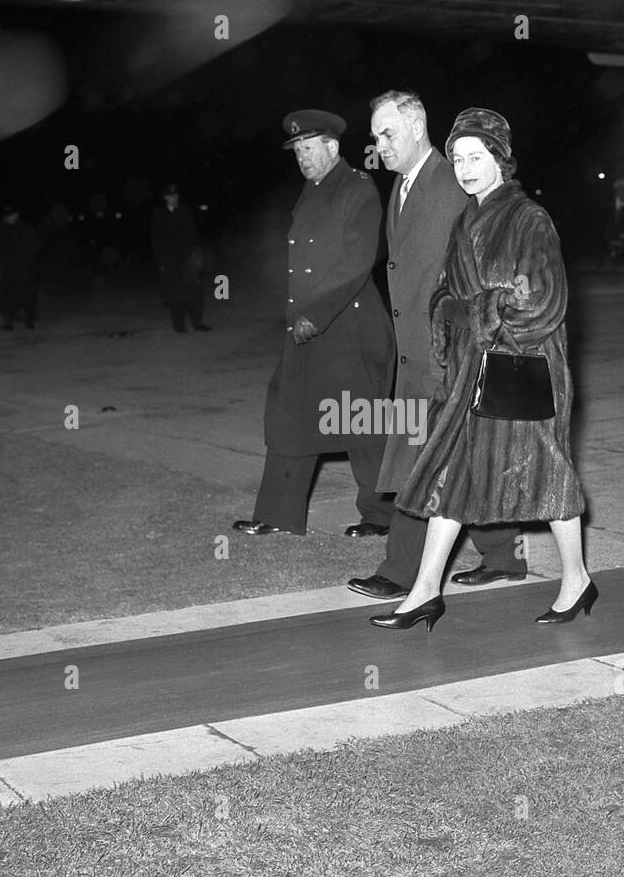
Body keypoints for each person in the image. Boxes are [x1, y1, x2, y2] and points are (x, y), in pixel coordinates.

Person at [371, 107, 592, 631]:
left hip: (524, 371)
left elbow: (543, 301)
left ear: (500, 159)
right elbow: (447, 292)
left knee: (548, 476)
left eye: (478, 156)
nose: (467, 168)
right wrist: (453, 313)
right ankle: (425, 591)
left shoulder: (529, 218)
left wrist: (476, 312)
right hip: (473, 369)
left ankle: (577, 578)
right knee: (449, 472)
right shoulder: (465, 220)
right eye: (459, 159)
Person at [349, 90, 526, 601]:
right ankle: (504, 554)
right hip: (414, 351)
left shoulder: (454, 180)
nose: (379, 144)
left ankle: (401, 571)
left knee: (422, 463)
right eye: (376, 136)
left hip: (449, 348)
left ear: (418, 124)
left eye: (388, 133)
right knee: (450, 456)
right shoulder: (402, 187)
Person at [234, 109, 396, 538]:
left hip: (349, 326)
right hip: (307, 327)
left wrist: (316, 314)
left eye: (309, 149)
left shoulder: (357, 187)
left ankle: (381, 516)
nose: (303, 158)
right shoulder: (312, 189)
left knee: (363, 426)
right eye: (297, 151)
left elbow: (357, 261)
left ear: (332, 147)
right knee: (290, 416)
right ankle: (277, 514)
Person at [151, 182, 209, 332]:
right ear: (165, 198)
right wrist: (161, 261)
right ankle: (179, 325)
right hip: (170, 260)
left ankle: (197, 322)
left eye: (176, 195)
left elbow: (193, 233)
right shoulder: (159, 213)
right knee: (176, 294)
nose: (174, 198)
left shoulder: (184, 211)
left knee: (194, 292)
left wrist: (197, 253)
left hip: (188, 257)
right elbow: (156, 239)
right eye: (171, 195)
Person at [0, 205, 41, 330]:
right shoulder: (2, 229)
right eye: (7, 215)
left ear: (16, 215)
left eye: (11, 215)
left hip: (25, 268)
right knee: (7, 296)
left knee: (27, 295)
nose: (9, 218)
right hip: (8, 269)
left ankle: (29, 320)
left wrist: (30, 262)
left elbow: (35, 246)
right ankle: (8, 322)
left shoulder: (26, 229)